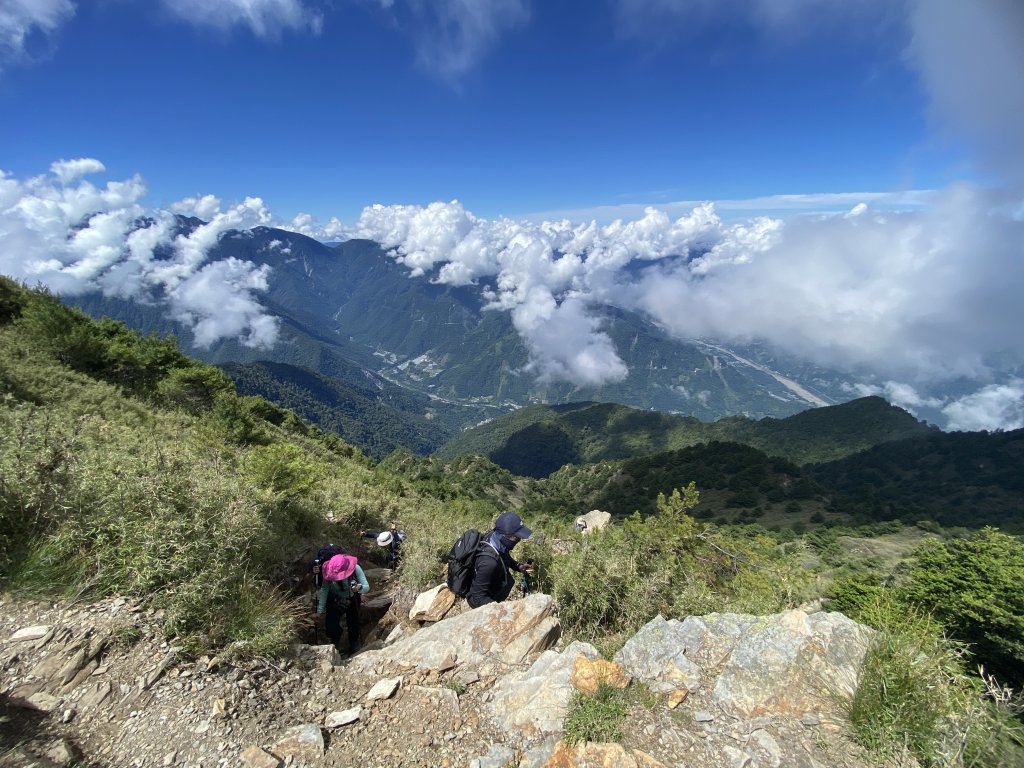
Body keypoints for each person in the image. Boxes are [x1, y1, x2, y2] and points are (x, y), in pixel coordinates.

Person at [467, 512, 535, 609]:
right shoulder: (489, 563)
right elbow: (478, 597)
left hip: (493, 586)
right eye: (516, 537)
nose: (519, 540)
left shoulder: (494, 538)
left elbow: (503, 555)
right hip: (486, 602)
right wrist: (501, 609)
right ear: (505, 536)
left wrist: (518, 566)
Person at [316, 553, 370, 654]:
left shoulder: (356, 568)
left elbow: (366, 587)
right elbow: (324, 590)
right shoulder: (328, 572)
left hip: (351, 598)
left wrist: (359, 588)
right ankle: (335, 640)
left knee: (353, 622)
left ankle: (354, 642)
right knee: (331, 626)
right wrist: (320, 610)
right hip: (334, 600)